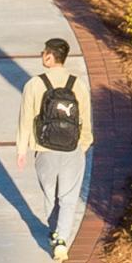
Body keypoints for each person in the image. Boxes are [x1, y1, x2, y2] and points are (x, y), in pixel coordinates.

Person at [20, 35, 94, 238]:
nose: (42, 56)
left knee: (49, 194)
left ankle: (54, 231)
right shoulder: (77, 84)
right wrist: (83, 145)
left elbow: (25, 119)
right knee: (69, 198)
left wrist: (22, 149)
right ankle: (61, 239)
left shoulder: (34, 84)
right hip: (73, 148)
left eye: (44, 53)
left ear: (50, 57)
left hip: (44, 149)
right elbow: (85, 120)